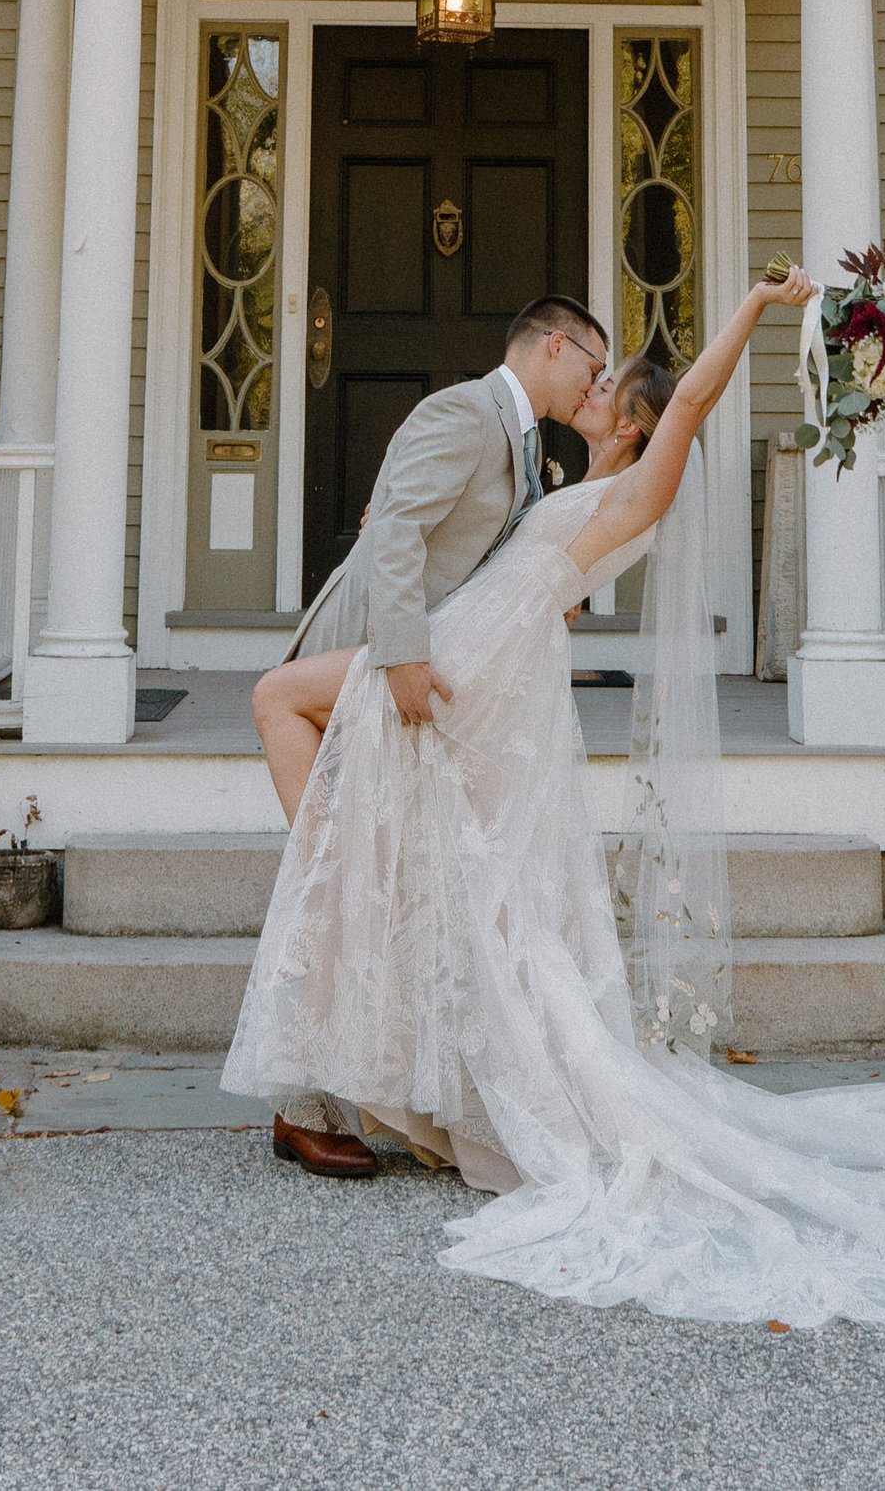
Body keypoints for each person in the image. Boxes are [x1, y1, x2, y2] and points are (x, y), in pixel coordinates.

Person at [229, 269, 885, 1322]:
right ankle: (359, 928)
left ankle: (337, 891)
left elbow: (691, 400)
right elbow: (503, 529)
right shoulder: (591, 476)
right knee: (452, 865)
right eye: (594, 377)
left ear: (645, 420)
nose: (597, 395)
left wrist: (755, 306)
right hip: (490, 662)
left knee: (284, 709)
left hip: (472, 665)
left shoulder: (643, 479)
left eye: (616, 392)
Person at [258, 293, 613, 1179]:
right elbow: (398, 534)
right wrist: (405, 659)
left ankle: (374, 1091)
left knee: (371, 881)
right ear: (554, 346)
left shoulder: (532, 449)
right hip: (365, 658)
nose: (595, 384)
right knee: (338, 878)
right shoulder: (464, 411)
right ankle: (301, 1106)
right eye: (591, 368)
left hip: (412, 683)